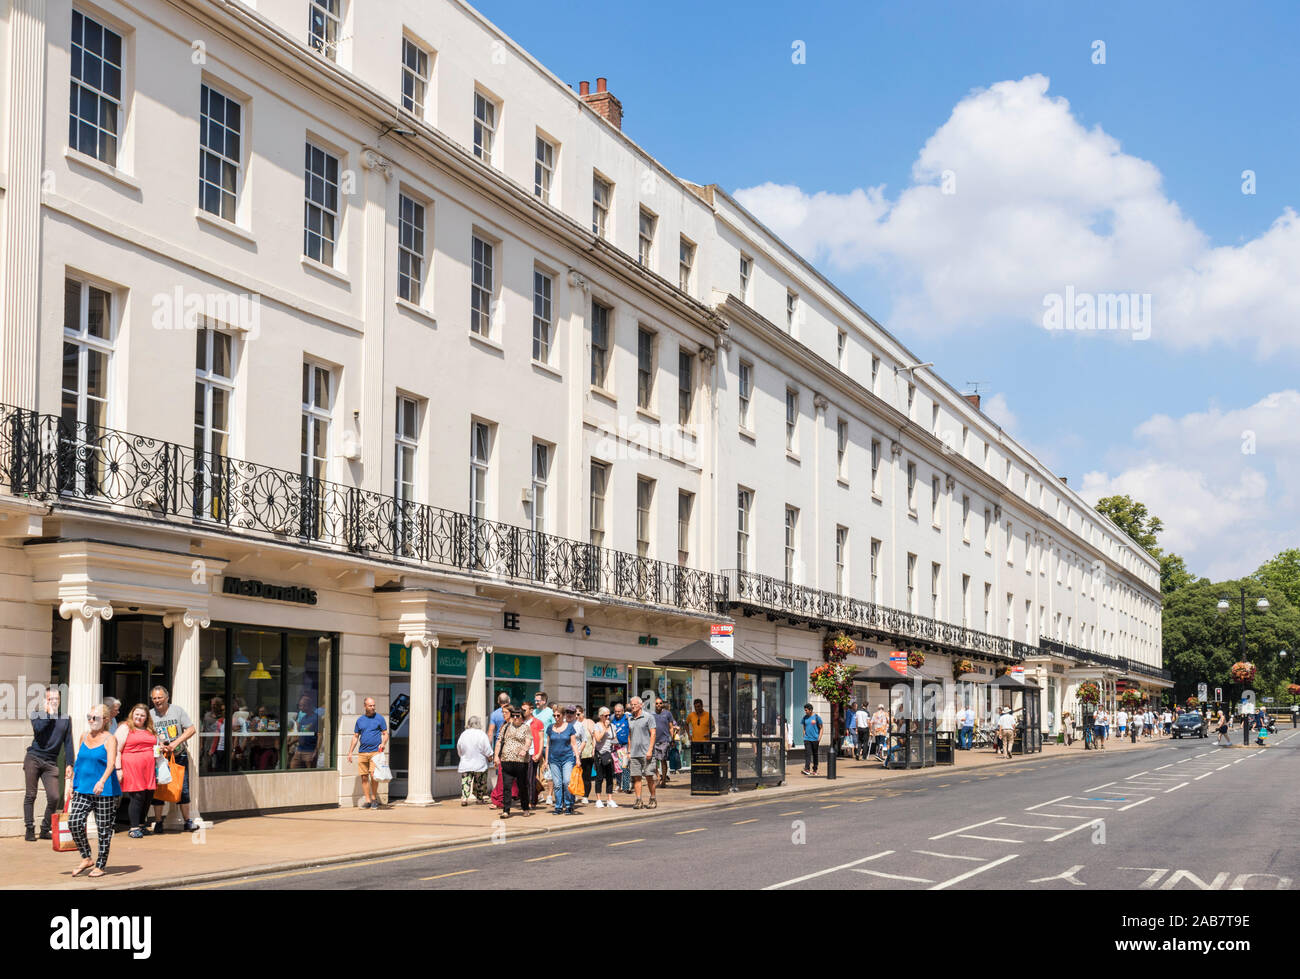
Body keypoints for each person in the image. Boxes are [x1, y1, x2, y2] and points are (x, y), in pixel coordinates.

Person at [67, 703, 121, 878]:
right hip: (83, 788)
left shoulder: (109, 738)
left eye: (95, 718)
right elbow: (79, 762)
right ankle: (86, 857)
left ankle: (100, 865)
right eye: (89, 717)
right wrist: (71, 785)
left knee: (103, 829)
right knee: (74, 821)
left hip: (104, 790)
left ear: (105, 720)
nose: (91, 720)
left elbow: (111, 764)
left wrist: (102, 781)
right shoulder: (83, 736)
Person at [23, 688, 72, 842]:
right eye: (50, 698)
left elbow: (68, 743)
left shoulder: (65, 719)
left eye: (56, 698)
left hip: (51, 762)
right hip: (34, 758)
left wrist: (70, 764)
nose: (54, 701)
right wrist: (48, 714)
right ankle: (29, 828)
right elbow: (38, 729)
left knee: (54, 796)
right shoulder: (37, 715)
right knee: (31, 794)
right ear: (45, 700)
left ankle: (45, 829)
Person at [148, 685, 198, 832]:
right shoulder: (150, 714)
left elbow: (191, 729)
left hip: (178, 755)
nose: (157, 701)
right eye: (154, 698)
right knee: (159, 788)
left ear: (167, 697)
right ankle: (158, 822)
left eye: (160, 697)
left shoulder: (177, 711)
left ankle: (188, 821)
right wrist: (159, 744)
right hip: (159, 757)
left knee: (183, 788)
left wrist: (176, 742)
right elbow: (148, 734)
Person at [118, 704, 158, 838]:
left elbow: (155, 745)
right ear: (132, 714)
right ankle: (133, 827)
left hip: (149, 768)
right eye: (137, 714)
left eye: (142, 715)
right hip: (131, 767)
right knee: (137, 796)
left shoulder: (150, 729)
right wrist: (118, 768)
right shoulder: (125, 727)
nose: (139, 717)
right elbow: (116, 748)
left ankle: (141, 825)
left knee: (148, 796)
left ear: (146, 717)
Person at [346, 697, 389, 810]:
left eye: (374, 705)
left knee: (373, 776)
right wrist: (350, 752)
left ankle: (374, 799)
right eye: (370, 706)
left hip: (375, 752)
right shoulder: (360, 720)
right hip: (362, 752)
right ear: (365, 706)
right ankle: (368, 801)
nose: (373, 707)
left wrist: (383, 743)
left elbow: (385, 734)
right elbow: (355, 737)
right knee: (364, 777)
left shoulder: (379, 718)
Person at [493, 707, 533, 818]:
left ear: (522, 717)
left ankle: (525, 808)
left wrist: (524, 749)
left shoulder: (526, 728)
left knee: (522, 786)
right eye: (513, 715)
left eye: (517, 716)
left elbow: (528, 740)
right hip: (506, 761)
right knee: (506, 786)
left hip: (521, 762)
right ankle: (506, 810)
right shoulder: (505, 727)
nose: (515, 718)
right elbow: (499, 741)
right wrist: (496, 756)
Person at [546, 706, 582, 815]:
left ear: (563, 715)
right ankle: (558, 806)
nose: (556, 718)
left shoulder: (569, 727)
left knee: (567, 782)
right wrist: (546, 760)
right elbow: (548, 745)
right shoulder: (550, 728)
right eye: (554, 715)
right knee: (557, 784)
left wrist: (577, 758)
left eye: (558, 715)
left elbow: (574, 744)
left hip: (567, 758)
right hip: (554, 759)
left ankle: (569, 805)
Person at [626, 696, 657, 809]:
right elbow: (629, 736)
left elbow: (653, 734)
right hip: (634, 753)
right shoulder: (630, 719)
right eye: (631, 705)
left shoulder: (648, 717)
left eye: (635, 705)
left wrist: (650, 750)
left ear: (641, 705)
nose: (632, 707)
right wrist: (629, 751)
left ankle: (652, 798)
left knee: (649, 777)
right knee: (636, 777)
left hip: (646, 753)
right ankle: (639, 800)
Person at [456, 716, 494, 805]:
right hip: (479, 763)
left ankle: (464, 799)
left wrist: (462, 756)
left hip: (466, 762)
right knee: (480, 782)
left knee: (466, 781)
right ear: (478, 724)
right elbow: (487, 748)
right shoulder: (481, 734)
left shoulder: (464, 734)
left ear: (469, 724)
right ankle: (479, 799)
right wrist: (490, 757)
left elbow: (459, 747)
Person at [591, 707, 619, 808]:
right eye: (606, 715)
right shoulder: (597, 726)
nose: (608, 717)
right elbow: (598, 739)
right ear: (601, 716)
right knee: (599, 777)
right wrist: (605, 729)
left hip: (609, 754)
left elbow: (614, 738)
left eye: (609, 715)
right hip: (600, 754)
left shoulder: (612, 726)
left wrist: (616, 742)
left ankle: (610, 799)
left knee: (610, 777)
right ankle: (598, 799)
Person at [521, 700, 546, 808]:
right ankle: (526, 799)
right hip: (521, 754)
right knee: (523, 779)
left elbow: (541, 739)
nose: (522, 712)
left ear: (531, 710)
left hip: (532, 753)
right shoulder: (520, 722)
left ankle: (531, 801)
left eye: (524, 710)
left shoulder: (537, 722)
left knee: (531, 778)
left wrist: (539, 753)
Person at [288, 694, 319, 769]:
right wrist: (289, 743)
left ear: (307, 706)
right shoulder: (303, 718)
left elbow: (320, 735)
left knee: (310, 772)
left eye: (301, 706)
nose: (300, 708)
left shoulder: (316, 718)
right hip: (300, 750)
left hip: (309, 751)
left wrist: (316, 750)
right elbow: (300, 735)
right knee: (293, 767)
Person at [653, 697, 677, 785]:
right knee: (654, 761)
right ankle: (658, 777)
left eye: (660, 703)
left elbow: (671, 728)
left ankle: (663, 780)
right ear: (654, 705)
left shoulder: (667, 714)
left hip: (664, 740)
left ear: (662, 704)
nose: (658, 705)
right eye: (657, 703)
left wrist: (673, 739)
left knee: (663, 760)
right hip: (655, 741)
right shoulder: (652, 715)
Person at [574, 705, 596, 804]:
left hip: (586, 753)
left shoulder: (588, 722)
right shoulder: (572, 723)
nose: (576, 716)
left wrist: (594, 749)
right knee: (574, 776)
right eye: (575, 714)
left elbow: (594, 736)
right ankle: (573, 794)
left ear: (583, 713)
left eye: (578, 714)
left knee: (586, 776)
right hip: (575, 754)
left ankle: (585, 796)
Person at [611, 702, 632, 794]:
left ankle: (626, 786)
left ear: (623, 711)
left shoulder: (628, 719)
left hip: (625, 746)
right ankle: (619, 785)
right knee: (617, 767)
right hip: (616, 747)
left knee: (625, 766)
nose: (617, 713)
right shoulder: (612, 719)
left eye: (619, 711)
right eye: (616, 711)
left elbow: (631, 733)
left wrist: (630, 749)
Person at [800, 703, 822, 775]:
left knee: (815, 754)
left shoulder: (816, 717)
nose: (805, 711)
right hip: (807, 739)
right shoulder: (804, 718)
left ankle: (815, 770)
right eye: (805, 710)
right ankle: (807, 769)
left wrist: (819, 738)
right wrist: (804, 736)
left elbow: (821, 728)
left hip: (815, 739)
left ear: (810, 710)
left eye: (806, 710)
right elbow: (804, 727)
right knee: (807, 754)